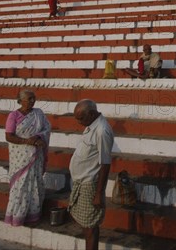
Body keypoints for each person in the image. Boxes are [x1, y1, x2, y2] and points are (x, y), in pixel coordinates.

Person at [68, 99, 114, 250]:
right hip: (81, 182)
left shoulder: (102, 130)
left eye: (81, 118)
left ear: (92, 114)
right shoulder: (91, 124)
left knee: (90, 228)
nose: (79, 122)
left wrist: (99, 193)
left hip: (90, 185)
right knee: (86, 226)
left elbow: (105, 163)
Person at [4, 89, 51, 226]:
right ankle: (17, 215)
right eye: (29, 98)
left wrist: (37, 137)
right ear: (21, 100)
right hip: (20, 157)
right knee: (21, 184)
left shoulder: (39, 114)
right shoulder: (13, 116)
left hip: (36, 155)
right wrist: (27, 142)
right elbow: (9, 136)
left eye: (34, 98)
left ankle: (33, 215)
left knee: (35, 183)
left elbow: (47, 129)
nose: (32, 101)